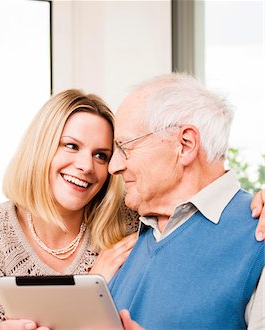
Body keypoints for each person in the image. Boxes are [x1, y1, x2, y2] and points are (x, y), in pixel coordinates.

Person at [0, 88, 265, 330]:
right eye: (70, 145)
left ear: (185, 145)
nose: (112, 167)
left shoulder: (131, 220)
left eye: (110, 153)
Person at [0, 89, 139, 330]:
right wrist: (92, 288)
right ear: (41, 147)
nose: (87, 166)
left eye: (101, 155)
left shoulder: (128, 224)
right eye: (71, 146)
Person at [108, 73, 265, 329]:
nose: (114, 166)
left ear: (185, 144)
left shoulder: (258, 236)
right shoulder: (125, 240)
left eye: (126, 146)